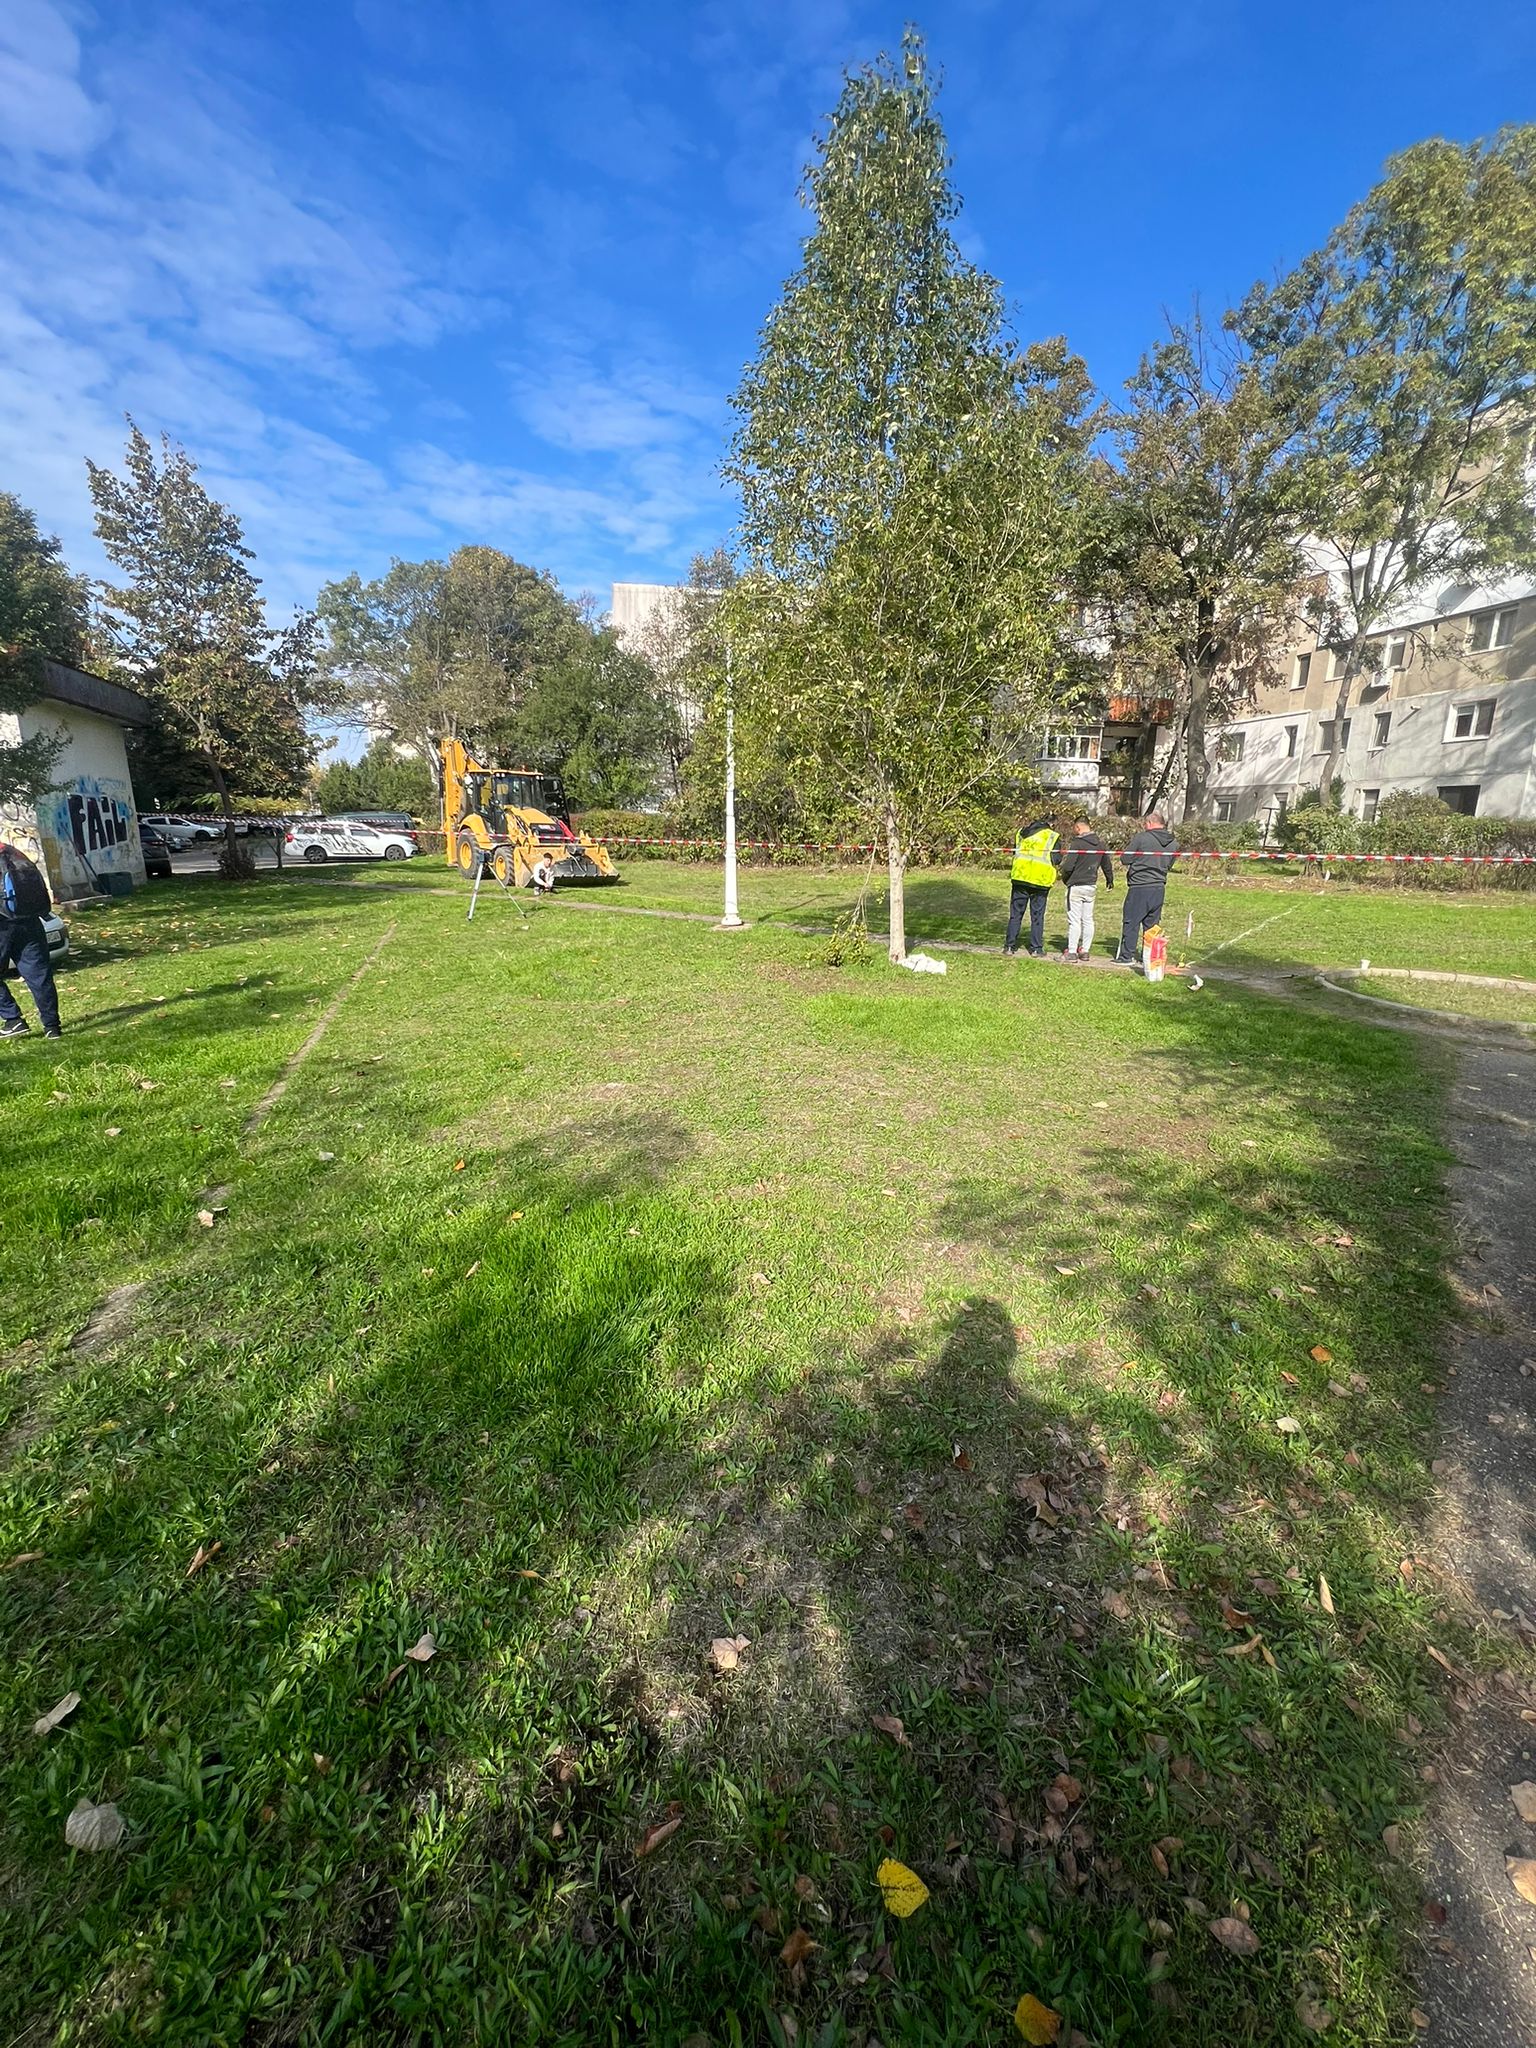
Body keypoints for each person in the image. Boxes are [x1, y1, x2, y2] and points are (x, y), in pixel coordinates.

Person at [0, 837, 62, 1040]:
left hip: (3, 924)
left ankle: (13, 1020)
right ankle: (52, 1026)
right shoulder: (11, 851)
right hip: (30, 920)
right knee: (39, 974)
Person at [1114, 810, 1178, 967]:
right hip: (1159, 887)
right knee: (1152, 925)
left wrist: (1139, 859)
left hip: (1140, 886)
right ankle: (1148, 957)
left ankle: (1126, 956)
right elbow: (1169, 864)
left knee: (1132, 921)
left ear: (1149, 823)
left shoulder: (1141, 838)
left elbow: (1125, 858)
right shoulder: (1174, 843)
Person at [1055, 817, 1115, 960]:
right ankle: (1085, 950)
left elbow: (1068, 866)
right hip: (1091, 886)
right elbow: (1106, 864)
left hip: (1076, 886)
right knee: (1088, 919)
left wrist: (1065, 879)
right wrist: (1110, 880)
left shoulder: (1077, 843)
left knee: (1074, 920)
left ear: (1078, 827)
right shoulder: (1100, 844)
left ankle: (1071, 951)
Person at [1004, 813, 1059, 958]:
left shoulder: (1021, 833)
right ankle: (1036, 949)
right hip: (1040, 881)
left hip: (1020, 878)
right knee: (1037, 916)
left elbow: (1015, 852)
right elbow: (1057, 859)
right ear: (1051, 824)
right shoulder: (1052, 836)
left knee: (1015, 915)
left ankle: (1009, 946)